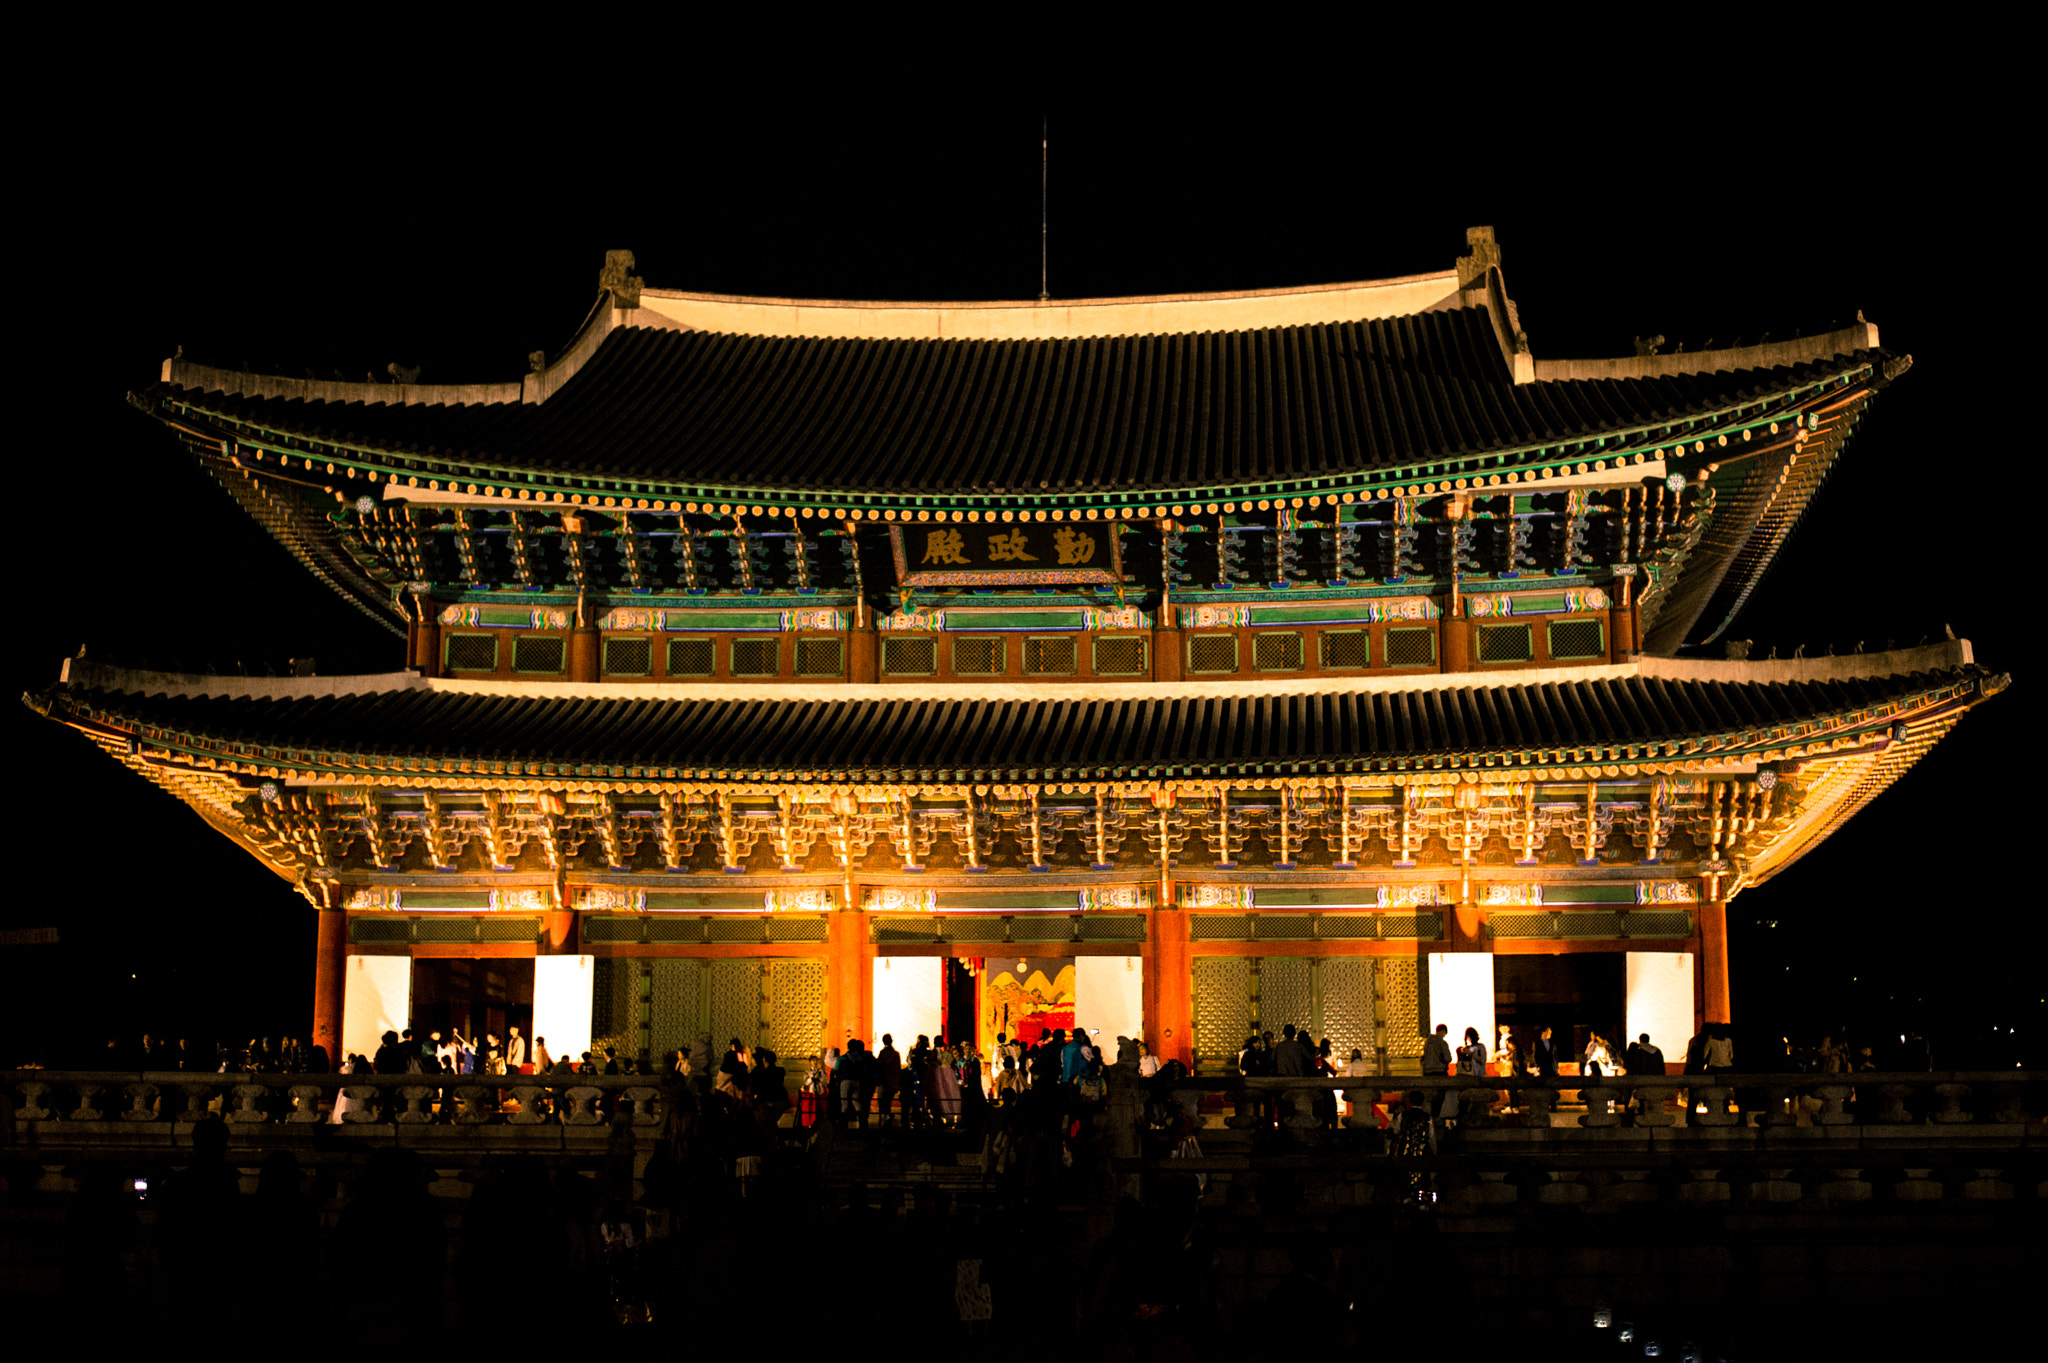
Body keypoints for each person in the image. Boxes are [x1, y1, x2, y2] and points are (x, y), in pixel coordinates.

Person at [874, 1034, 902, 1124]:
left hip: (884, 1081)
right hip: (893, 1080)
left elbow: (879, 1066)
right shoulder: (896, 1054)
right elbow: (898, 1068)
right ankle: (888, 1114)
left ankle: (887, 1115)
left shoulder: (882, 1053)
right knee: (888, 1099)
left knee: (883, 1100)